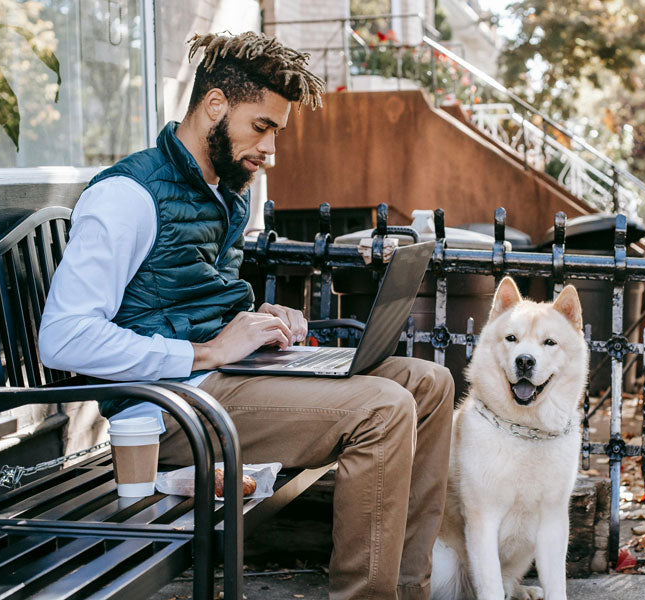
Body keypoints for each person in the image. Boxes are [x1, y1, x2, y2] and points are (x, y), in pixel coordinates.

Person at [39, 31, 453, 600]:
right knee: (383, 409)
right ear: (215, 105)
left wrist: (262, 321)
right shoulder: (127, 196)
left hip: (228, 381)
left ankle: (409, 591)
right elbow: (62, 339)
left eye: (276, 132)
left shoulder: (226, 193)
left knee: (430, 382)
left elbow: (192, 299)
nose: (271, 150)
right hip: (171, 413)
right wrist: (208, 351)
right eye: (262, 127)